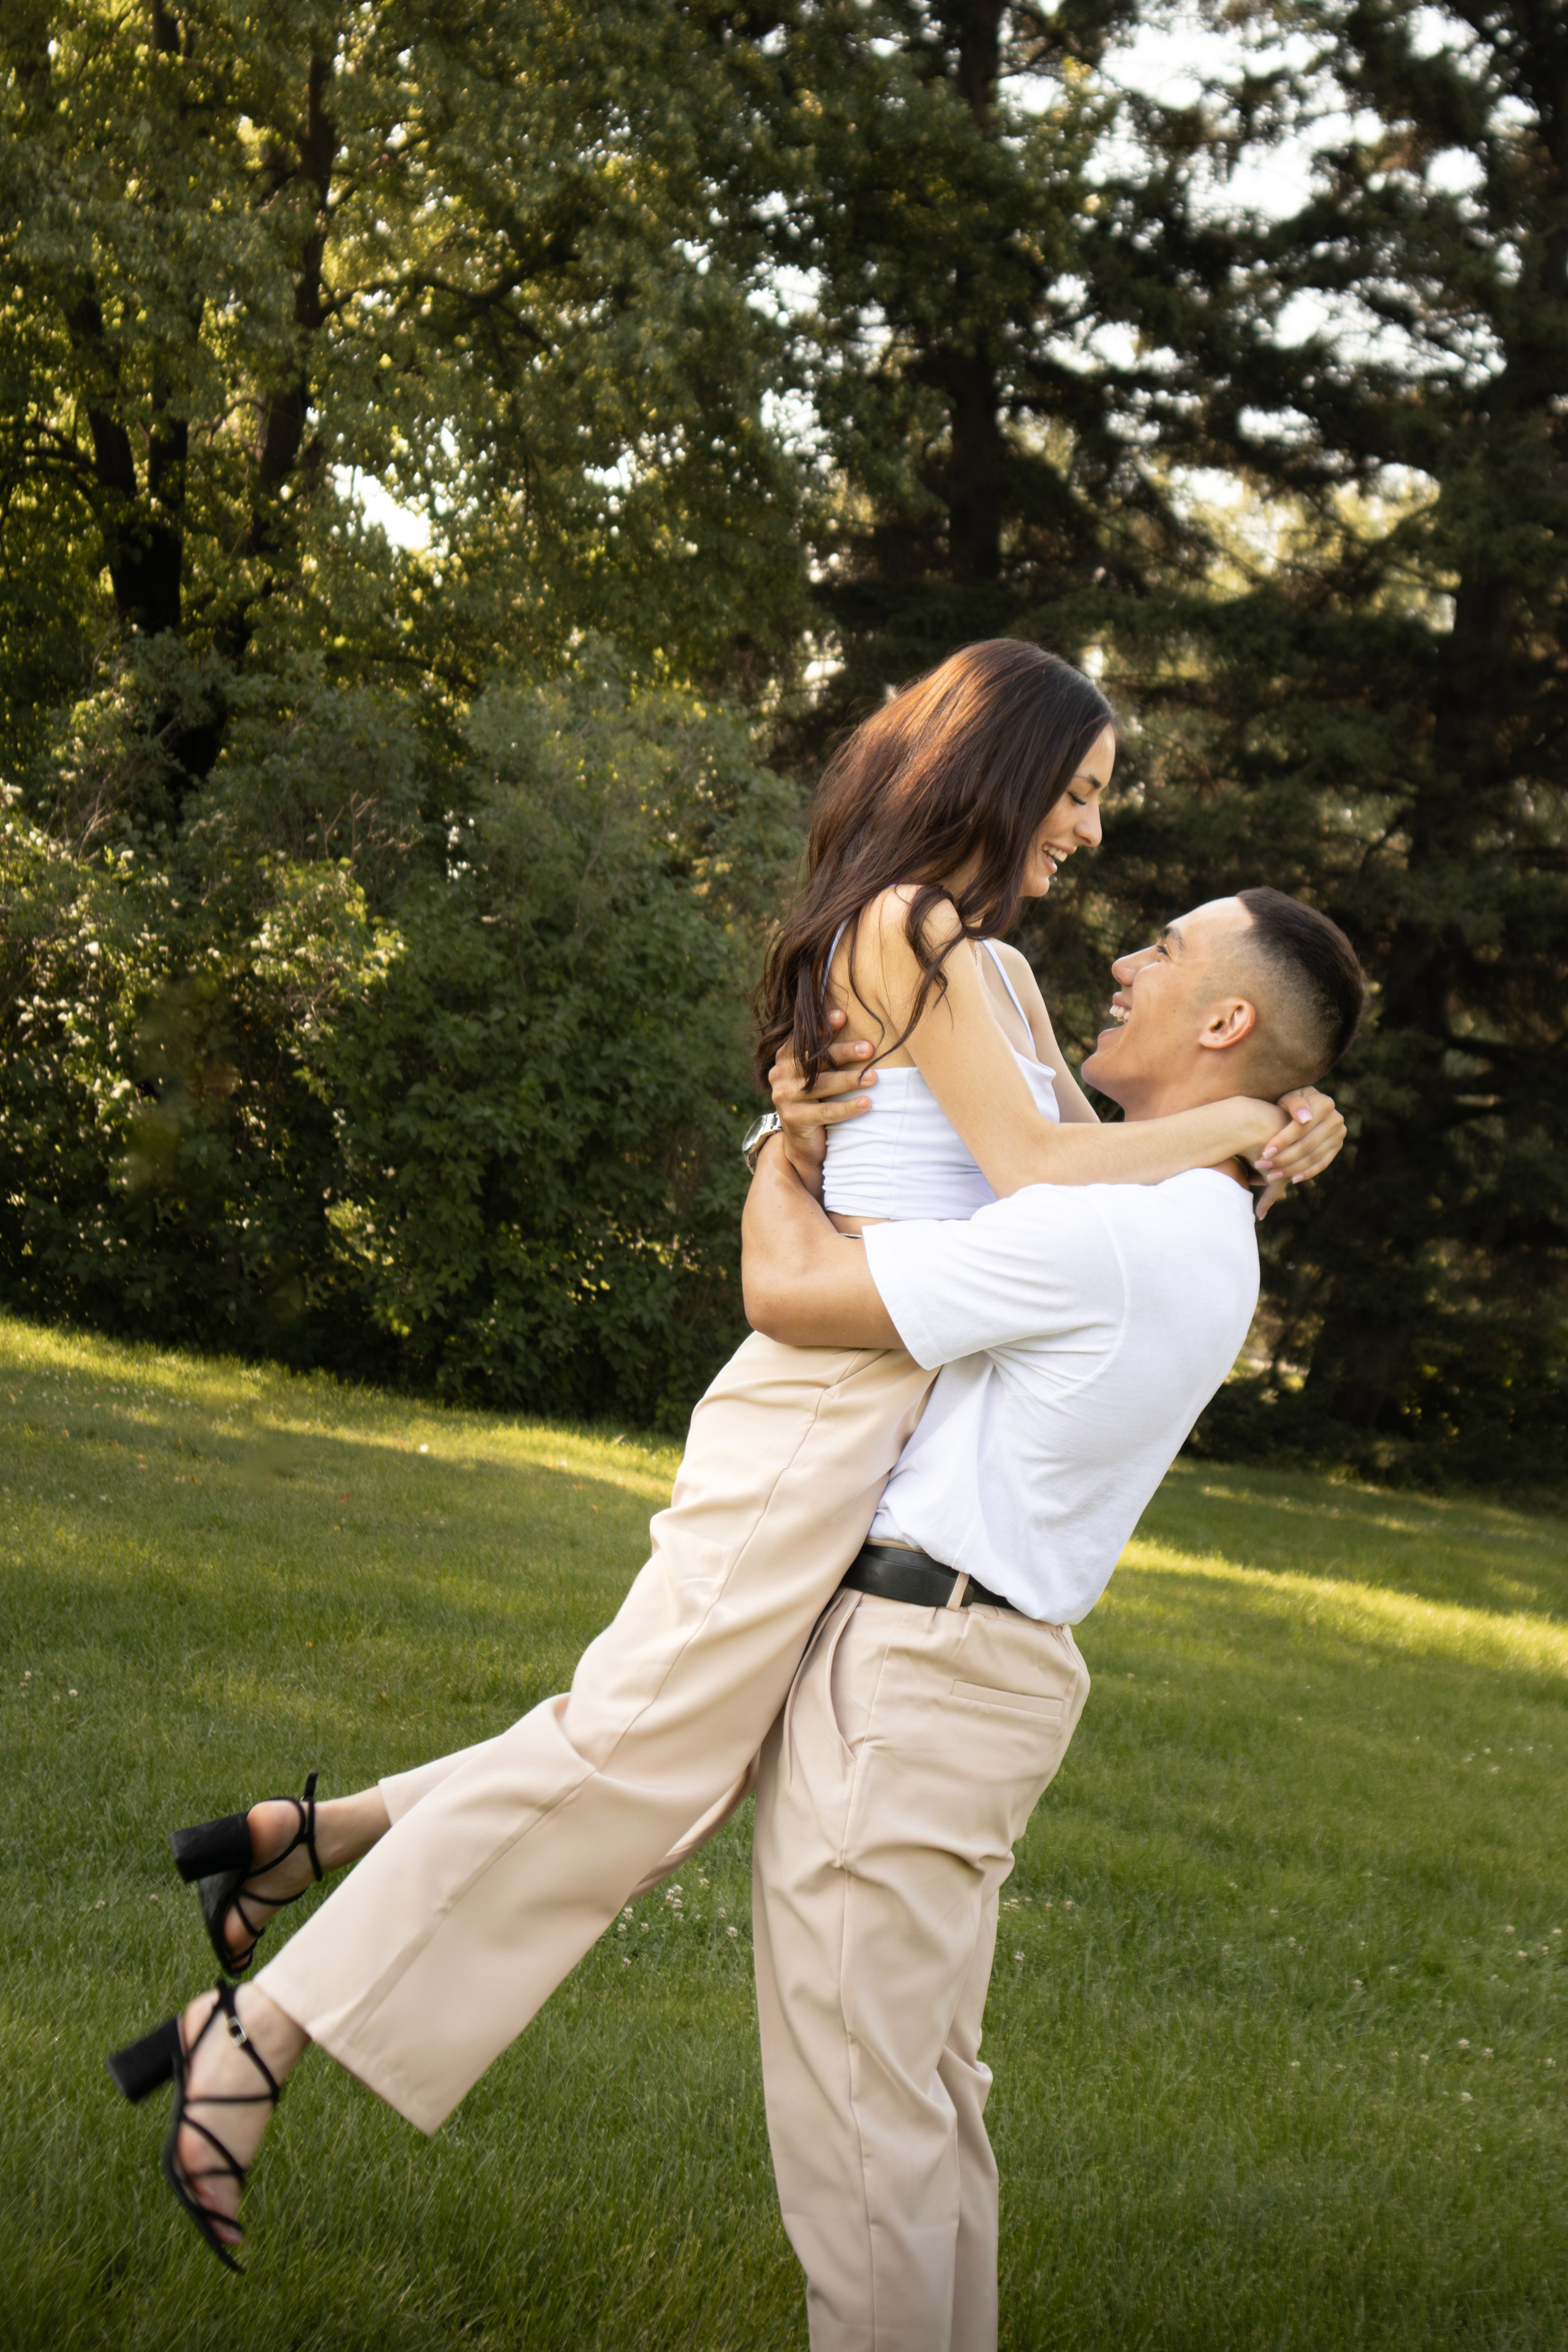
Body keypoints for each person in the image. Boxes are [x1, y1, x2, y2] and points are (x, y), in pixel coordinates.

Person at [105, 645, 1345, 2269]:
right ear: (1003, 767)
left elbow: (1097, 1186)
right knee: (634, 1763)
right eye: (1085, 792)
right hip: (821, 1409)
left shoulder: (1007, 978)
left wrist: (1281, 1132)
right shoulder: (913, 932)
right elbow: (1045, 1168)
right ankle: (253, 2035)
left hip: (886, 1413)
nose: (1096, 836)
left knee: (660, 1762)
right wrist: (1256, 1122)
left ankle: (299, 1852)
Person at [739, 887, 1366, 2352]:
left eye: (1161, 951)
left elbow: (792, 1289)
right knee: (917, 2106)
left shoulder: (1116, 1236)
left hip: (918, 1672)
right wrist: (1274, 1126)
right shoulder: (1188, 1215)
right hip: (976, 1669)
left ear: (1222, 1023)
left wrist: (787, 1145)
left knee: (862, 2135)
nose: (1121, 964)